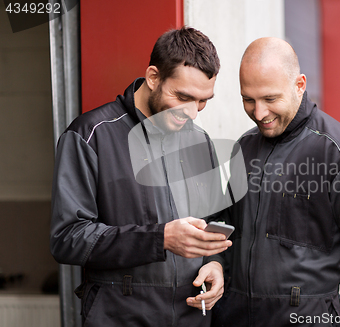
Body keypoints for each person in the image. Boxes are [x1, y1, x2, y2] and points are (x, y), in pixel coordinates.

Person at [50, 26, 233, 326]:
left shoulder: (200, 141)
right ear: (153, 77)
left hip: (191, 318)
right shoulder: (89, 136)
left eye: (203, 101)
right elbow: (67, 238)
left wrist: (215, 264)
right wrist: (159, 238)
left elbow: (218, 222)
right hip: (120, 317)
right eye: (183, 97)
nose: (193, 113)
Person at [211, 37, 340, 326]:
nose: (259, 113)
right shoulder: (245, 147)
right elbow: (223, 227)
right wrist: (211, 262)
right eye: (248, 100)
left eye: (270, 99)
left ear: (299, 85)